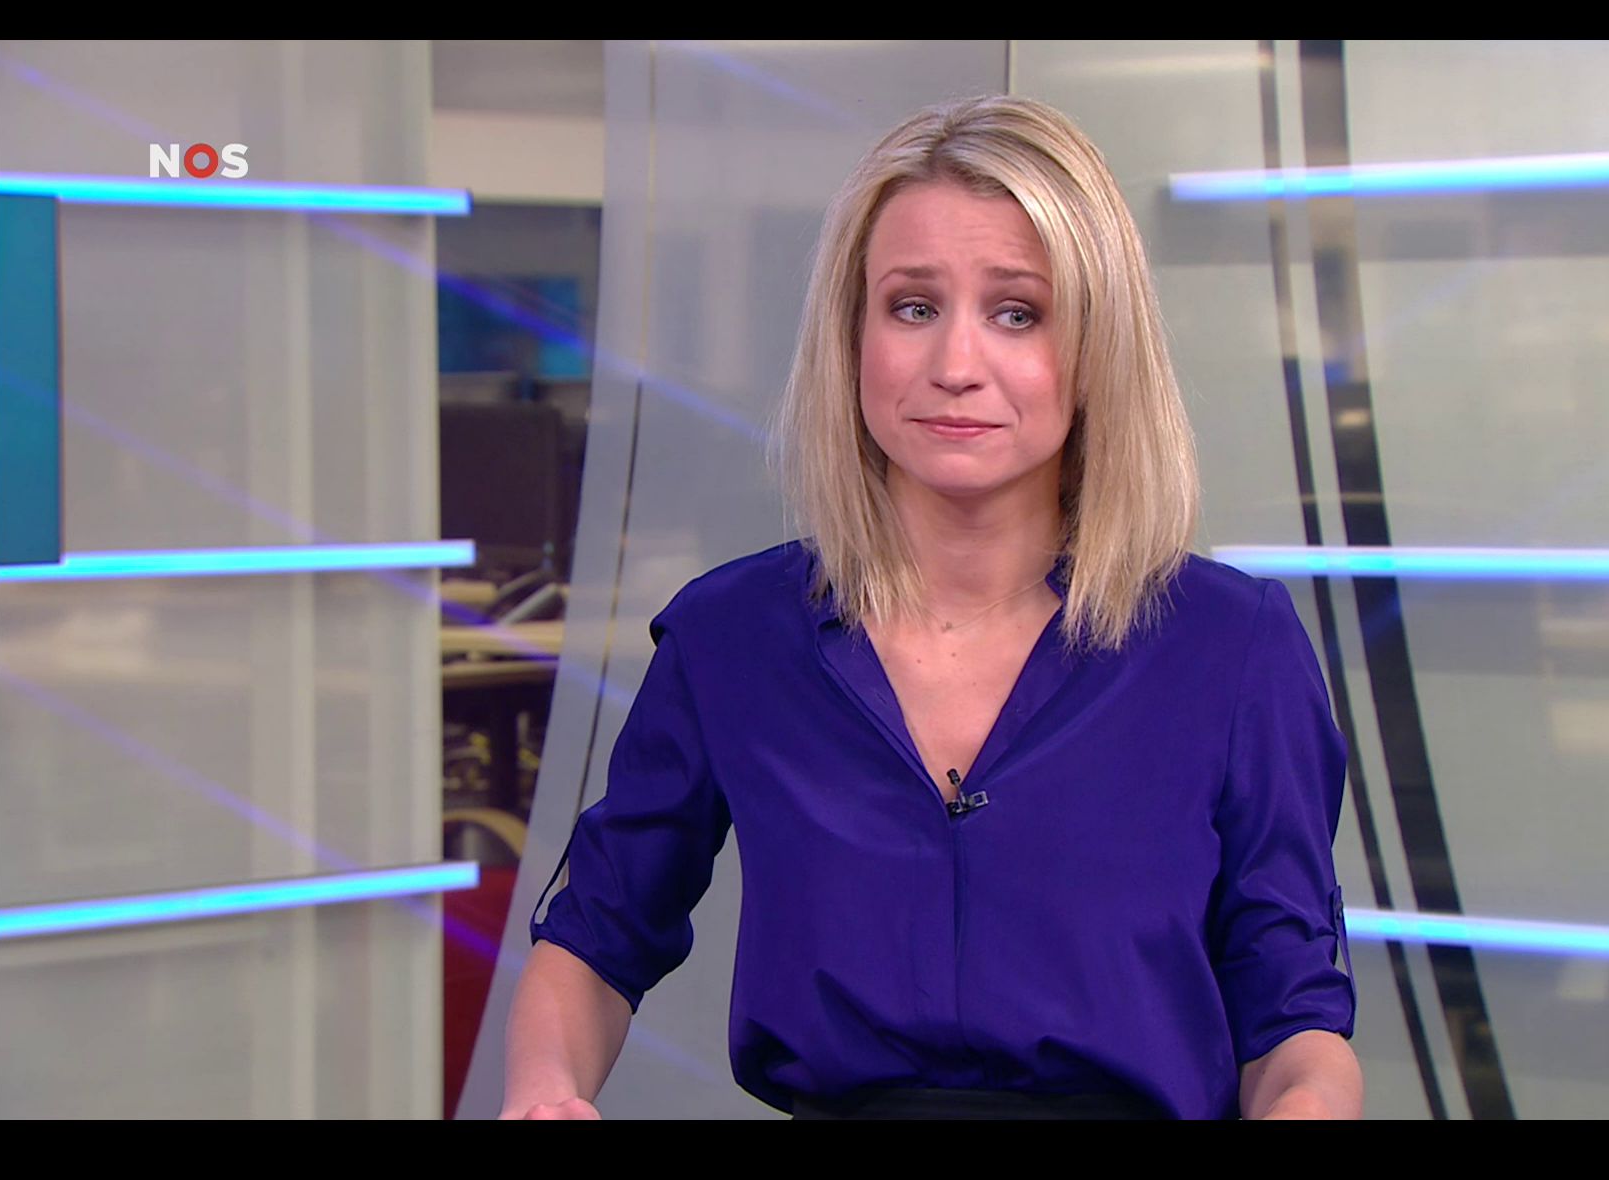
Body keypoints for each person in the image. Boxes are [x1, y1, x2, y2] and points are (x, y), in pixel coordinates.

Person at [499, 94, 1361, 1121]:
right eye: (913, 308)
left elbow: (1296, 1024)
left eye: (1017, 313)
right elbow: (594, 940)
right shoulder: (730, 638)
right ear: (851, 337)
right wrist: (544, 1092)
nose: (956, 367)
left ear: (1097, 349)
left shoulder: (1232, 648)